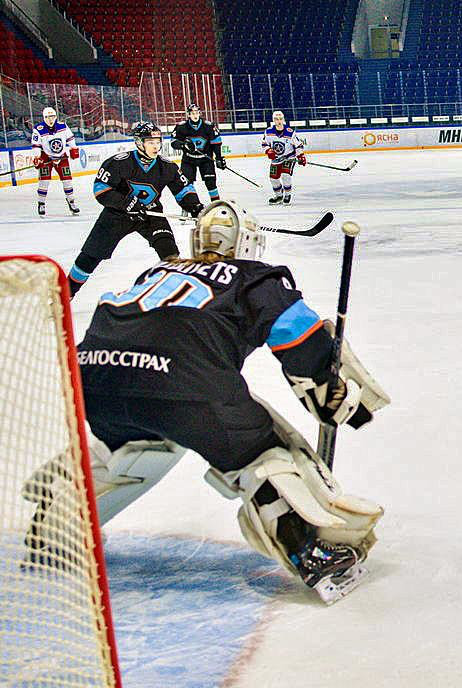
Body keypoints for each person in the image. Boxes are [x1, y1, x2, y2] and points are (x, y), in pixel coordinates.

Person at [29, 201, 389, 601]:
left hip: (95, 379)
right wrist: (333, 391)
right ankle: (309, 551)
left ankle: (55, 527)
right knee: (264, 453)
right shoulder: (256, 278)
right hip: (182, 386)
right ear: (249, 243)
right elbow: (300, 341)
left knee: (136, 447)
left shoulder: (155, 271)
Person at [67, 121, 204, 298]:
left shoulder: (167, 167)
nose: (156, 146)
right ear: (139, 143)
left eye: (158, 142)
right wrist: (126, 203)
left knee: (170, 253)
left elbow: (183, 189)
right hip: (118, 214)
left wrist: (195, 206)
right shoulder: (119, 163)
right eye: (150, 142)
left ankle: (177, 296)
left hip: (150, 213)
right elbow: (101, 189)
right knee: (90, 256)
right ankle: (67, 293)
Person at [170, 103, 226, 203]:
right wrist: (183, 145)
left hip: (206, 160)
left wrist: (218, 157)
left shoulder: (208, 126)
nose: (195, 115)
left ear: (199, 113)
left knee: (211, 183)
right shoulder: (181, 127)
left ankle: (216, 204)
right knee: (187, 184)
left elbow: (216, 143)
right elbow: (173, 142)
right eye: (192, 113)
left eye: (197, 112)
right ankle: (188, 207)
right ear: (188, 115)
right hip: (188, 160)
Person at [30, 106, 80, 217]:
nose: (50, 119)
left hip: (61, 157)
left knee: (67, 181)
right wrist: (37, 157)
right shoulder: (38, 129)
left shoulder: (62, 126)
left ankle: (71, 202)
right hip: (46, 157)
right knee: (44, 182)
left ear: (56, 116)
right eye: (47, 117)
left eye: (52, 116)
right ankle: (41, 203)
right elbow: (36, 145)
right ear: (44, 118)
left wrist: (74, 148)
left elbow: (70, 138)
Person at [261, 110, 306, 205]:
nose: (279, 121)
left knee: (286, 175)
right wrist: (268, 150)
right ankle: (279, 196)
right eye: (276, 119)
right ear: (273, 120)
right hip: (276, 159)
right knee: (273, 178)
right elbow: (264, 144)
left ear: (283, 119)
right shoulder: (268, 132)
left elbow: (298, 146)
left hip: (289, 158)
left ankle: (287, 195)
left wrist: (301, 156)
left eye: (280, 119)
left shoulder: (290, 132)